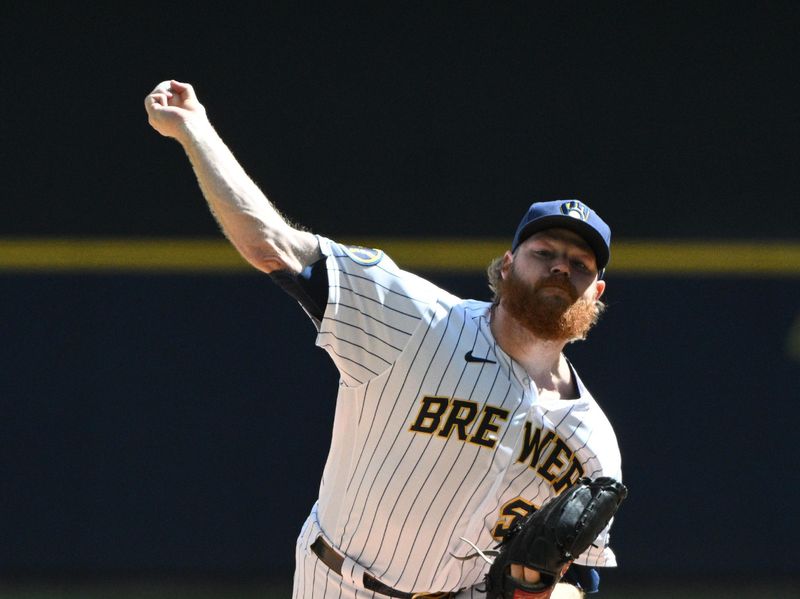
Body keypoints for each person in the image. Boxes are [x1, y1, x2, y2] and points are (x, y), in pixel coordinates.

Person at [145, 80, 623, 599]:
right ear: (507, 265)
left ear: (594, 293)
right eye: (544, 252)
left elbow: (580, 582)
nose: (559, 268)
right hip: (336, 582)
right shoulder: (414, 319)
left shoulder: (592, 442)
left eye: (579, 265)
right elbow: (272, 243)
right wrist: (195, 130)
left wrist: (540, 588)